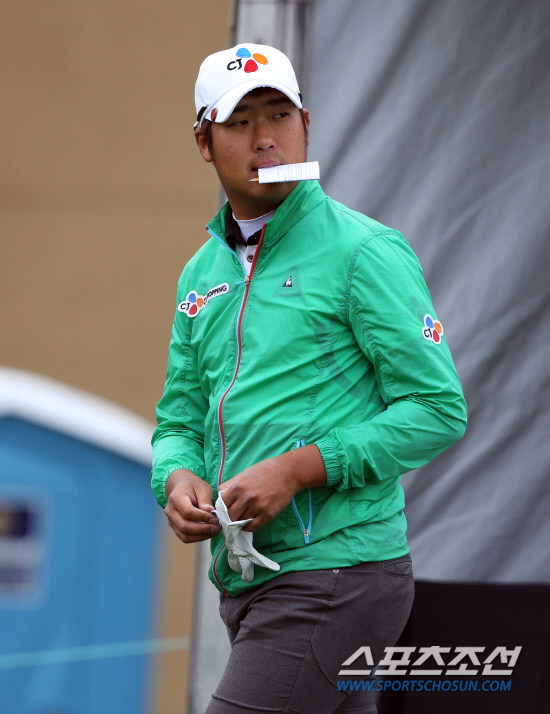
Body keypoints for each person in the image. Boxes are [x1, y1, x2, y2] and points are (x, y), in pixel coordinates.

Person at [151, 43, 467, 714]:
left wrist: (297, 469)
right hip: (248, 580)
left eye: (279, 114)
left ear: (306, 125)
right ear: (204, 142)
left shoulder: (363, 250)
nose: (265, 137)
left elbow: (437, 409)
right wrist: (175, 478)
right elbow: (178, 419)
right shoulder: (199, 274)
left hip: (338, 572)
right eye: (240, 122)